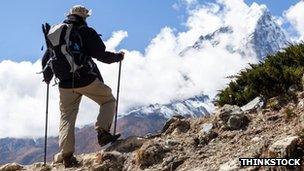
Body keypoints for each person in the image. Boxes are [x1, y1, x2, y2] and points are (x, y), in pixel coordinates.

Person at [41, 5, 124, 167]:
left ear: (70, 15)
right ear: (84, 17)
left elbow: (48, 57)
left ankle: (66, 156)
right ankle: (103, 132)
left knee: (67, 116)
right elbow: (101, 55)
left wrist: (48, 77)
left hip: (64, 83)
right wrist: (118, 57)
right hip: (85, 78)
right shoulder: (86, 31)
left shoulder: (56, 32)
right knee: (108, 100)